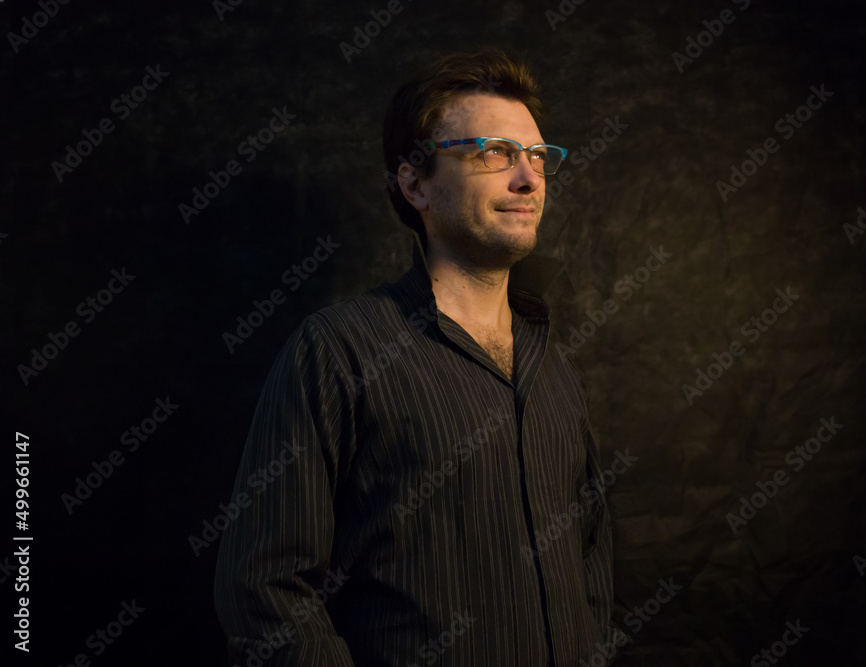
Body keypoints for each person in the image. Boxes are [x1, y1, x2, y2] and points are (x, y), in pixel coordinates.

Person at [214, 48, 628, 666]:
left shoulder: (555, 369)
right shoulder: (338, 352)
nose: (528, 179)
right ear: (415, 182)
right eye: (495, 153)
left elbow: (590, 563)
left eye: (539, 157)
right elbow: (264, 590)